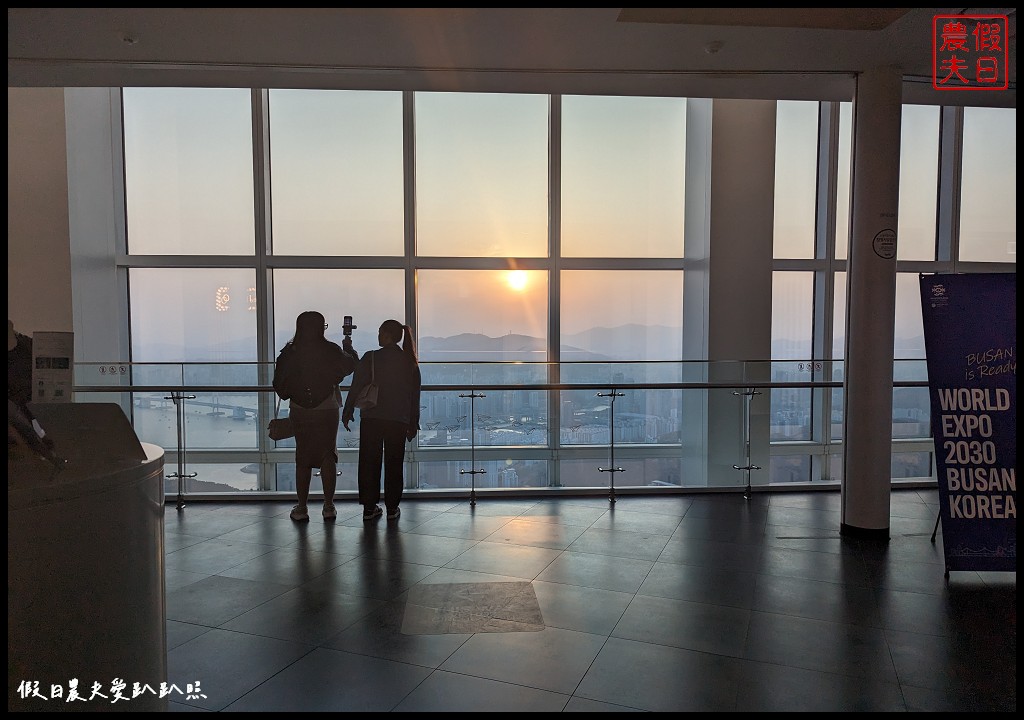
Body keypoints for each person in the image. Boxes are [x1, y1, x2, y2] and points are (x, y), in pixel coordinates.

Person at [273, 311, 358, 522]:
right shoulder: (330, 350)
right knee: (328, 455)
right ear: (321, 328)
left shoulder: (290, 352)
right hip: (327, 408)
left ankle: (302, 508)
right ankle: (328, 506)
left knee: (302, 457)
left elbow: (279, 383)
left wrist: (293, 393)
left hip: (300, 409)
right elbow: (350, 365)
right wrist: (349, 349)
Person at [342, 319, 421, 521]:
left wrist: (348, 409)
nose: (377, 336)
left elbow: (357, 383)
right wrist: (413, 423)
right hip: (398, 420)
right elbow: (414, 396)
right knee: (394, 463)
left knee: (369, 462)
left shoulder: (372, 358)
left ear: (387, 335)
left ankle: (369, 507)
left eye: (380, 332)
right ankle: (393, 508)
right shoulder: (409, 361)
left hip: (372, 417)